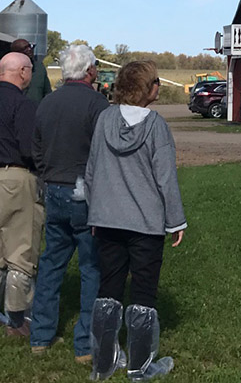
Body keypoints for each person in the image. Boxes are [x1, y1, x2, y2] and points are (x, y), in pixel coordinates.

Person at [85, 60, 187, 381]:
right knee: (143, 293)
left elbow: (92, 171)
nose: (159, 86)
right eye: (156, 81)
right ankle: (140, 368)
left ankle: (103, 363)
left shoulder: (104, 120)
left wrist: (94, 211)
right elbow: (166, 178)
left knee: (109, 290)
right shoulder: (156, 126)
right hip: (145, 224)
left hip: (108, 220)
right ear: (148, 88)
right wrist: (176, 222)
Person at [28, 45, 110, 362]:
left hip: (53, 188)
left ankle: (40, 336)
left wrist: (47, 173)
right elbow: (104, 151)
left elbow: (36, 146)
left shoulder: (47, 102)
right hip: (85, 191)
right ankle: (85, 345)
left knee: (51, 263)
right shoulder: (97, 103)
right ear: (89, 71)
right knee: (91, 267)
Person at [0, 52, 43, 335]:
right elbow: (29, 148)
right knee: (21, 246)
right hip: (15, 174)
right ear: (23, 72)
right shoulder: (22, 105)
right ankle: (18, 317)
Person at [10, 39, 50, 104]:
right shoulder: (8, 69)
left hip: (37, 110)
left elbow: (47, 93)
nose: (29, 50)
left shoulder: (39, 68)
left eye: (30, 46)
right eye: (25, 48)